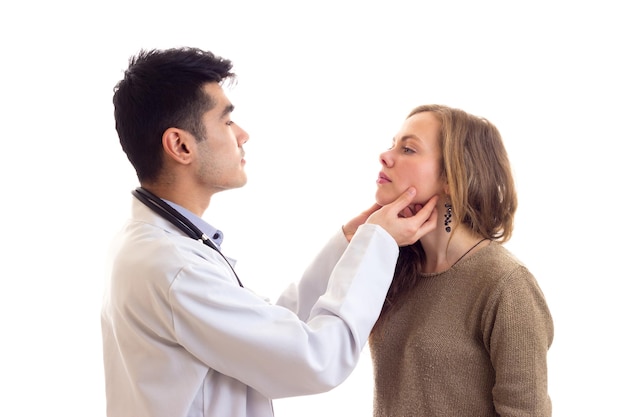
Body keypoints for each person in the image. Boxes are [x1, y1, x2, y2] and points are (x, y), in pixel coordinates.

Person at [101, 47, 439, 417]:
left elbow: (271, 331)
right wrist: (378, 245)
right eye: (227, 122)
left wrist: (352, 243)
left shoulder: (160, 247)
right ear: (181, 145)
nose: (243, 134)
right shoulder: (172, 267)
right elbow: (316, 359)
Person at [369, 104, 554, 416]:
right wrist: (362, 240)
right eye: (392, 145)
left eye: (409, 149)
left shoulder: (505, 284)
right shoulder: (392, 267)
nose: (385, 157)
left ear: (452, 179)